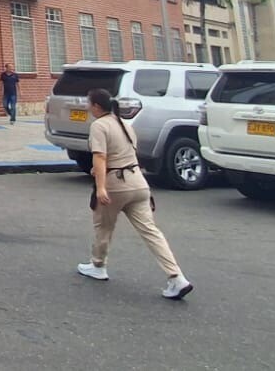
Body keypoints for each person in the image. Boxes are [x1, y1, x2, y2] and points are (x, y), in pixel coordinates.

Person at [76, 87, 194, 300]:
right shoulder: (125, 124)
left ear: (96, 106)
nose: (87, 107)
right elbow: (124, 154)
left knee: (104, 227)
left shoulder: (99, 126)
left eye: (88, 103)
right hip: (138, 182)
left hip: (116, 184)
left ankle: (98, 265)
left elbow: (100, 157)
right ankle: (176, 276)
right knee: (150, 231)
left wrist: (101, 187)